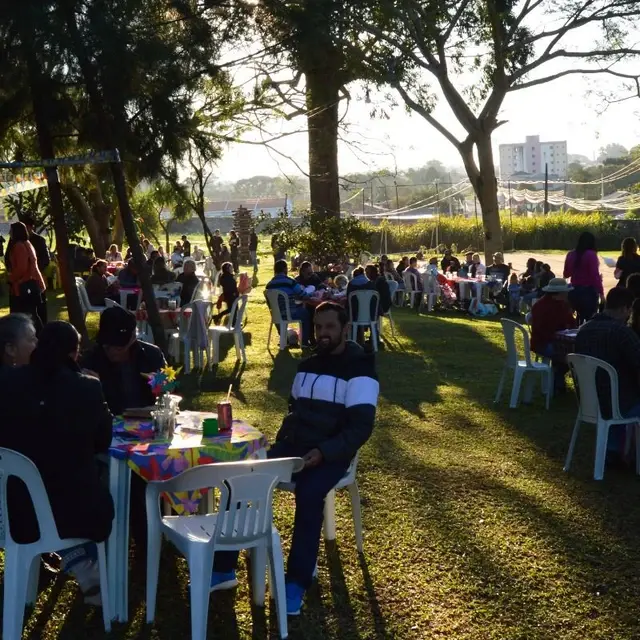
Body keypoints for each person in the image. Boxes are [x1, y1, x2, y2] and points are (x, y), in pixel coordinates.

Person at [211, 302, 378, 616]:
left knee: (310, 493)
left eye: (330, 327)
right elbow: (294, 409)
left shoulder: (361, 369)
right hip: (294, 447)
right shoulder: (307, 365)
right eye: (319, 327)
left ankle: (297, 581)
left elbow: (360, 427)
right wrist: (285, 445)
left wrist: (324, 451)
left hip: (332, 454)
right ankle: (223, 568)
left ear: (345, 328)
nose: (323, 333)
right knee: (242, 475)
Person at [0, 321, 114, 605]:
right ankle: (90, 564)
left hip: (15, 510)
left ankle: (79, 560)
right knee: (101, 479)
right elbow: (102, 442)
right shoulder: (87, 387)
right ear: (74, 353)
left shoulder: (7, 383)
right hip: (74, 514)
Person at [575, 287, 640, 461]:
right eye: (629, 311)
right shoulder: (622, 333)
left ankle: (612, 448)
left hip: (589, 401)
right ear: (625, 308)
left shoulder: (583, 330)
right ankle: (625, 449)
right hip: (619, 404)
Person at [81, 306, 166, 415]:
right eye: (107, 346)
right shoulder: (90, 360)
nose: (113, 352)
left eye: (119, 348)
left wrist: (162, 384)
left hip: (146, 418)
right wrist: (91, 386)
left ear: (132, 338)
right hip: (108, 420)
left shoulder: (151, 355)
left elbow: (169, 389)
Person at [530, 278, 576, 392]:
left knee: (575, 353)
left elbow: (571, 323)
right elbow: (544, 332)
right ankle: (557, 380)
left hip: (557, 340)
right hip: (543, 343)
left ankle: (558, 378)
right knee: (570, 356)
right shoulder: (542, 307)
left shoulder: (562, 304)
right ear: (560, 293)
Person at [6, 221, 46, 332]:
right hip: (32, 283)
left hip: (24, 284)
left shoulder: (19, 246)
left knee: (24, 316)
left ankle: (33, 336)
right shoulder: (28, 243)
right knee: (32, 314)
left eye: (11, 231)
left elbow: (21, 268)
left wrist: (11, 278)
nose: (9, 233)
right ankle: (40, 335)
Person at [265, 259, 312, 346]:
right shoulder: (290, 282)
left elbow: (269, 304)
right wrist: (311, 294)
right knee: (306, 313)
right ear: (284, 269)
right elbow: (303, 295)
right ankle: (304, 341)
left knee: (278, 314)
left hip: (276, 315)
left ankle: (284, 339)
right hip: (291, 313)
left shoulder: (269, 285)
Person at [563, 231, 603, 324]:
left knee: (577, 317)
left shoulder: (570, 254)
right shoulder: (591, 254)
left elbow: (566, 274)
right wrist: (601, 292)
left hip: (573, 291)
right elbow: (594, 276)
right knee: (590, 319)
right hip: (588, 292)